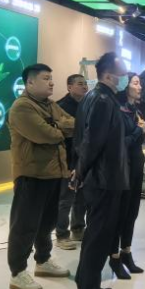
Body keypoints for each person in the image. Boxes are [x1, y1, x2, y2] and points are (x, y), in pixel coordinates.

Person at [7, 64, 75, 289]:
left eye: (51, 78)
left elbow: (73, 124)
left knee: (47, 223)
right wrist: (58, 128)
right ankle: (17, 272)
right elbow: (45, 134)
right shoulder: (22, 107)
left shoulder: (50, 105)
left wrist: (57, 126)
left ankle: (43, 260)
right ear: (30, 82)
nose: (51, 83)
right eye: (46, 78)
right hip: (31, 174)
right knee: (24, 225)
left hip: (54, 173)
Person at [72, 53, 130, 289]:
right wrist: (80, 171)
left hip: (101, 178)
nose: (125, 77)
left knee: (95, 236)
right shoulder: (103, 101)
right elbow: (91, 142)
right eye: (122, 73)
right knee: (98, 238)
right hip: (104, 179)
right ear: (108, 76)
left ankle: (88, 284)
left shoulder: (93, 98)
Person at [109, 72, 145, 279]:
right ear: (126, 86)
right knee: (119, 213)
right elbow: (120, 143)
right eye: (136, 83)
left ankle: (127, 252)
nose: (139, 87)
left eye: (140, 83)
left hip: (136, 165)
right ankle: (114, 257)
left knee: (132, 212)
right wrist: (139, 132)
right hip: (121, 167)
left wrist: (141, 132)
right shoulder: (117, 110)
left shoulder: (136, 111)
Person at [55, 74, 89, 250]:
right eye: (80, 84)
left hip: (83, 158)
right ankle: (61, 234)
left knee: (82, 197)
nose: (84, 87)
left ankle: (78, 229)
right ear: (69, 87)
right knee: (66, 198)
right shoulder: (60, 106)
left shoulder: (88, 104)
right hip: (67, 158)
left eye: (85, 84)